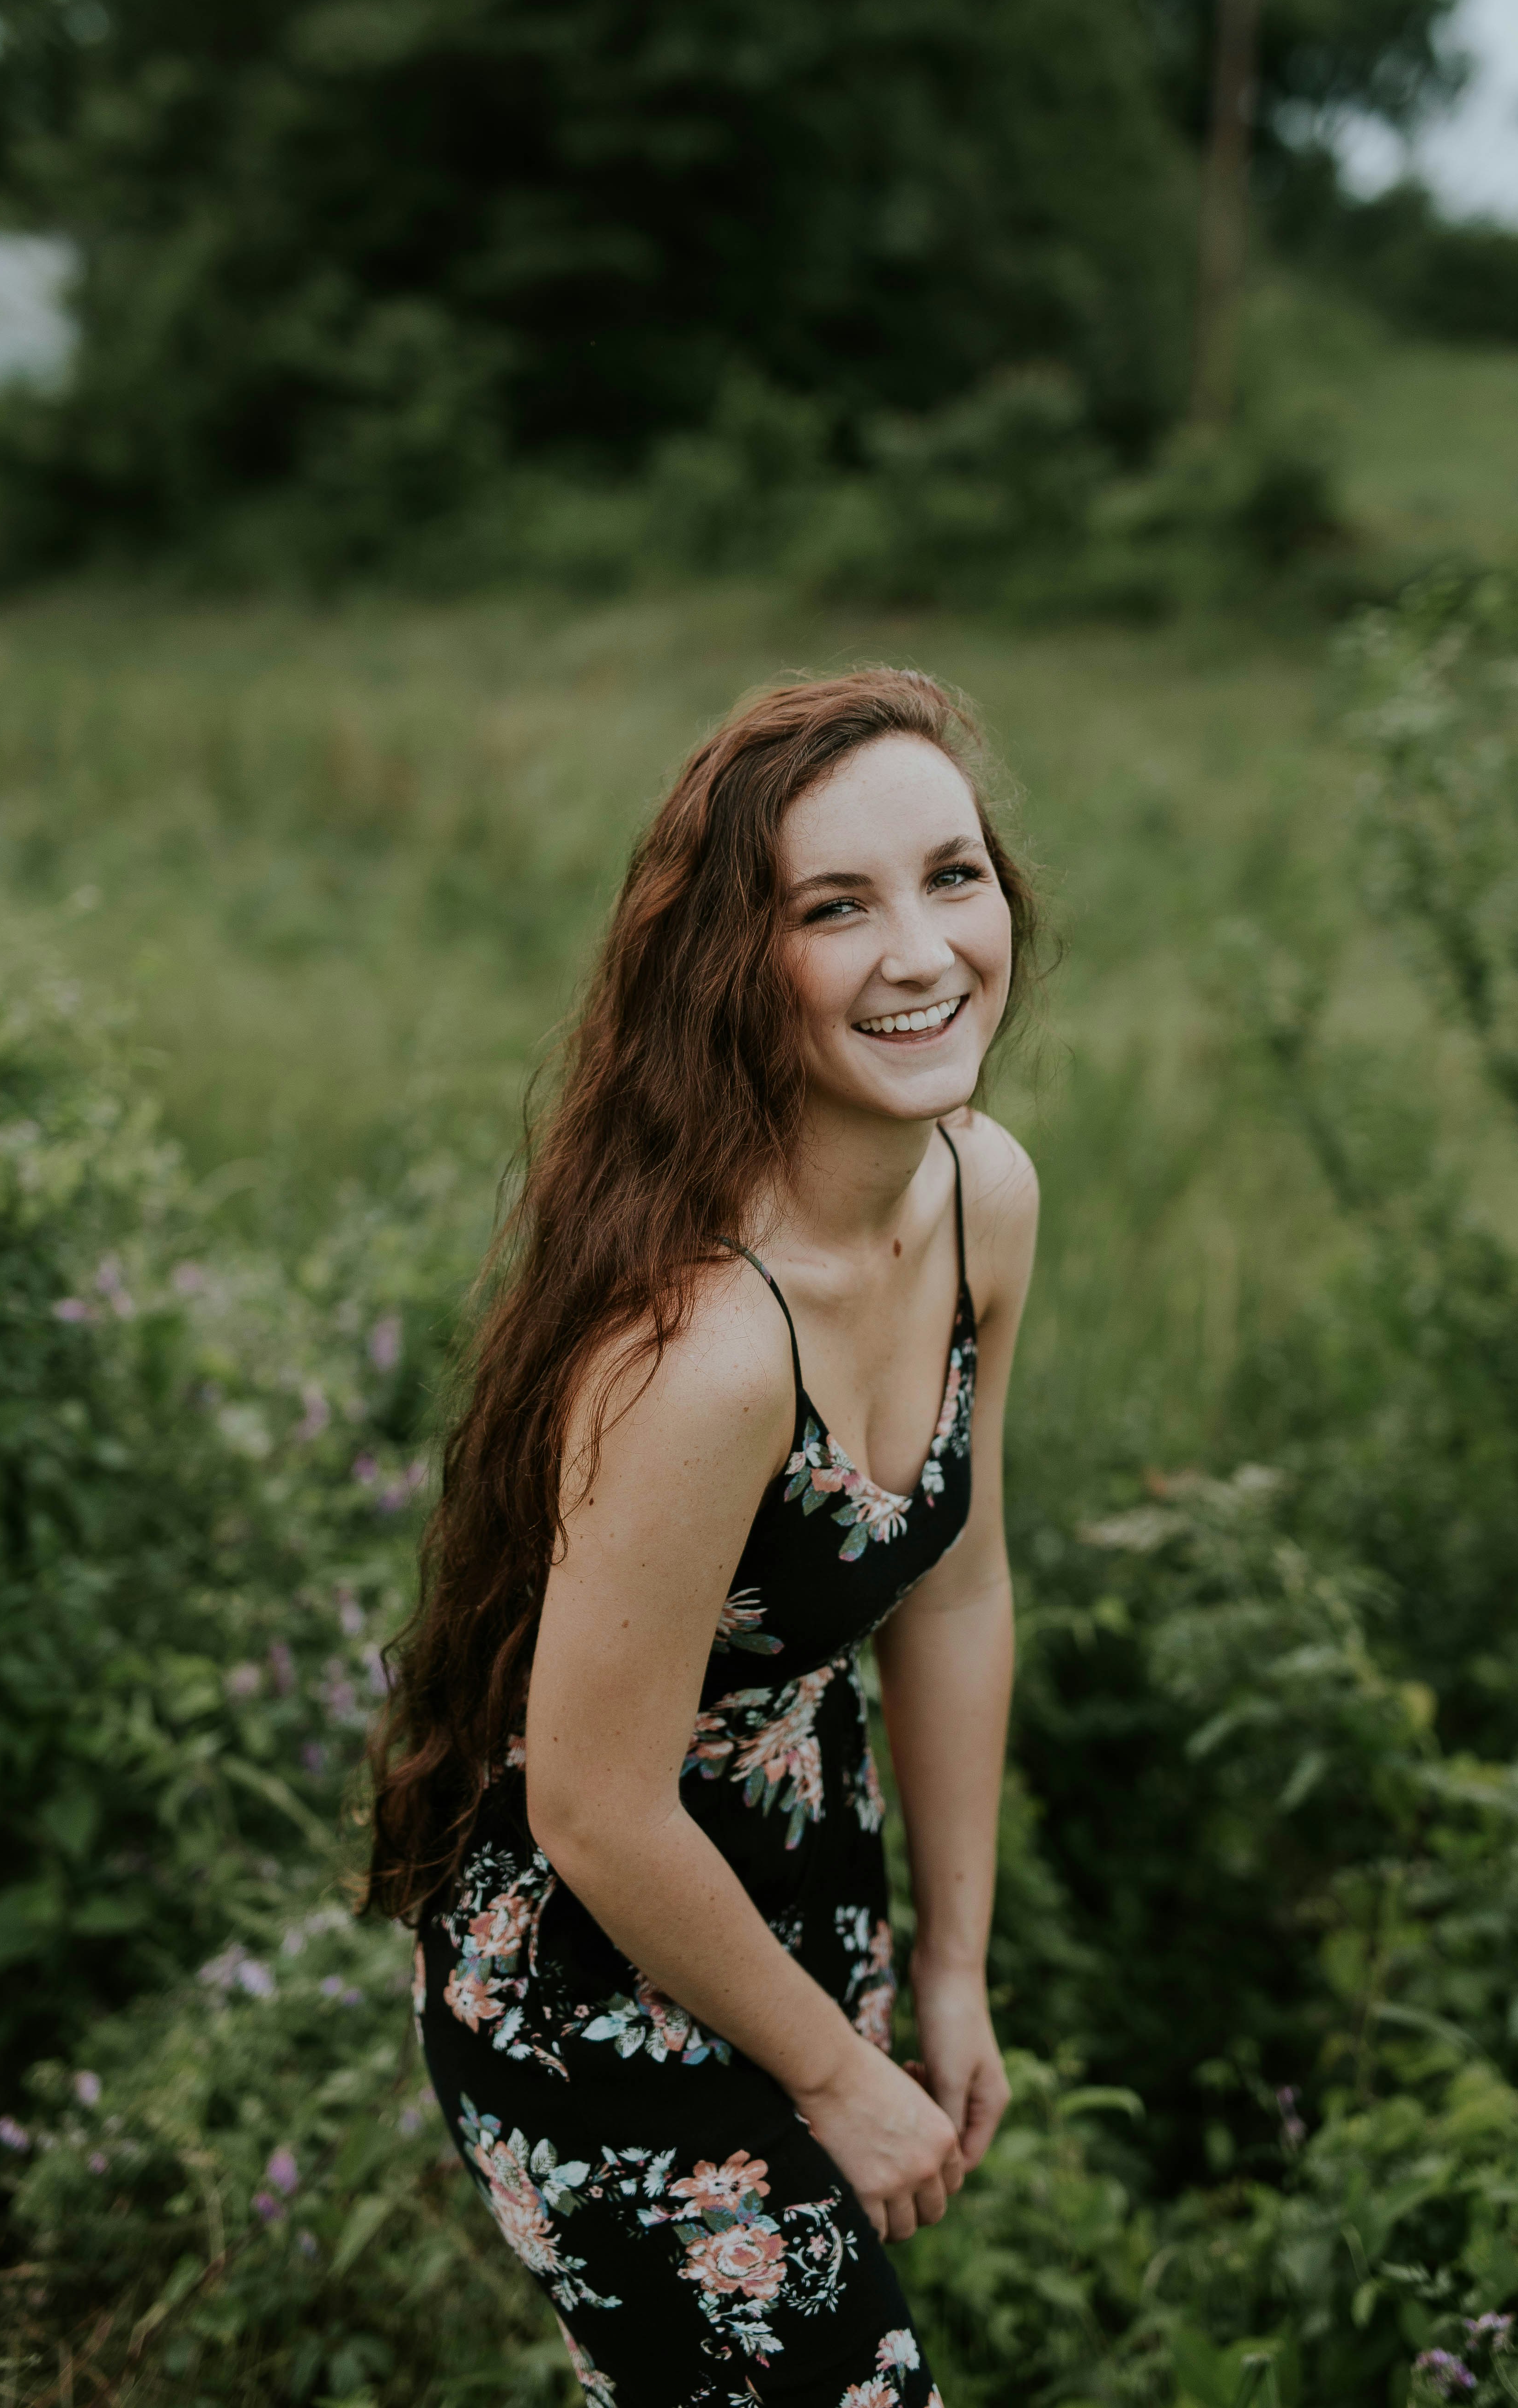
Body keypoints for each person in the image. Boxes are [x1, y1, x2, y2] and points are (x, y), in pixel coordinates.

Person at [366, 668, 1041, 2408]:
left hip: (802, 1884)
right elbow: (592, 1801)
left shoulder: (983, 1197)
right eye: (838, 907)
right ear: (742, 968)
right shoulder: (705, 1352)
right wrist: (838, 2077)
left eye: (953, 876)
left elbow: (954, 1582)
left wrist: (951, 1974)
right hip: (595, 1961)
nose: (921, 952)